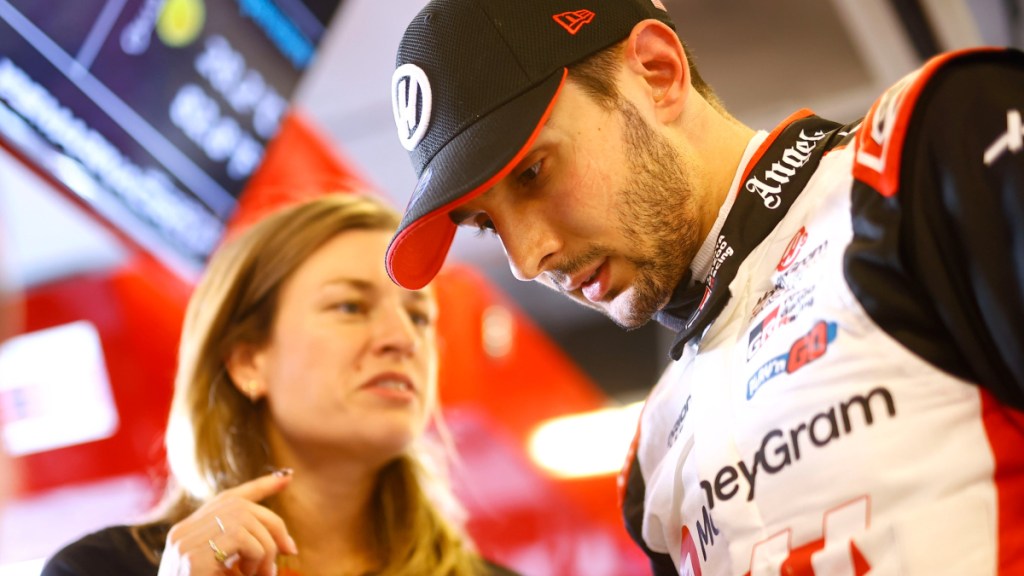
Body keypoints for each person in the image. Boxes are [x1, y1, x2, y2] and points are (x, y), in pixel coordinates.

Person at [384, 1, 1024, 574]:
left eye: (532, 172)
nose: (526, 259)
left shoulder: (918, 158)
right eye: (486, 225)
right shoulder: (654, 454)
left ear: (658, 73)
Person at [41, 194, 517, 576]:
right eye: (350, 307)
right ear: (248, 361)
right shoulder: (98, 569)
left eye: (419, 317)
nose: (403, 339)